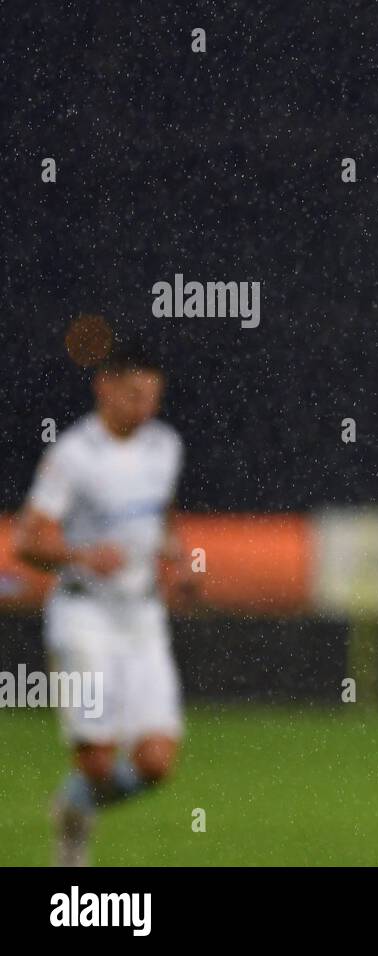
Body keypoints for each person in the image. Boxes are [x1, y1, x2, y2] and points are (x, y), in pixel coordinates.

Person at [13, 341, 194, 866]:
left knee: (157, 763)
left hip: (141, 615)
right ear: (105, 387)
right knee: (95, 761)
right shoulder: (73, 455)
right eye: (134, 395)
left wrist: (177, 562)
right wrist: (82, 555)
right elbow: (28, 541)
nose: (145, 408)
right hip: (84, 613)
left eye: (153, 398)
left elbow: (162, 515)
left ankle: (72, 807)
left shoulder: (164, 445)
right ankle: (78, 810)